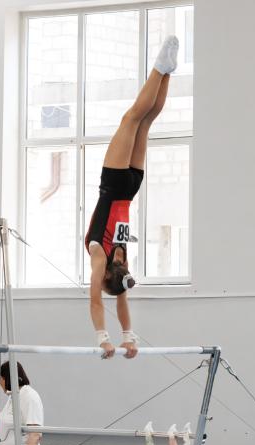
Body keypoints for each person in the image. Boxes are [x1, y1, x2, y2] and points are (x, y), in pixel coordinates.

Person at [85, 35, 179, 359]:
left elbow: (119, 296)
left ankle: (167, 73)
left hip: (131, 186)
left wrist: (127, 338)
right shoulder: (100, 258)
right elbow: (95, 301)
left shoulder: (121, 263)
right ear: (105, 277)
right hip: (113, 184)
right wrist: (104, 338)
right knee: (132, 119)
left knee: (147, 122)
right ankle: (160, 69)